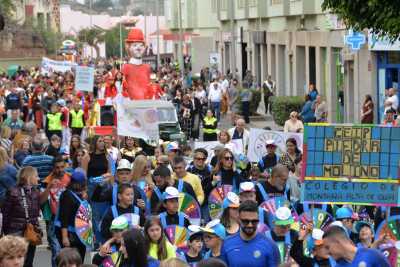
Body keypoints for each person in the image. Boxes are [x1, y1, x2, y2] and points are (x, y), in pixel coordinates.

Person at [2, 166, 53, 267]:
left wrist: (48, 188)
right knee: (16, 261)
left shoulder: (34, 191)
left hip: (31, 231)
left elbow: (40, 202)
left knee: (29, 261)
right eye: (36, 176)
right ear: (28, 177)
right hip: (15, 232)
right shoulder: (13, 191)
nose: (38, 178)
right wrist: (5, 232)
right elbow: (5, 213)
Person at [220, 201, 280, 267]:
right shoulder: (227, 244)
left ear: (258, 220)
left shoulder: (270, 246)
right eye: (245, 221)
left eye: (254, 221)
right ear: (238, 220)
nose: (250, 225)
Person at [56, 169, 90, 261]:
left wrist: (89, 233)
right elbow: (64, 217)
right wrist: (65, 237)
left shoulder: (82, 194)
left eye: (79, 183)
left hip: (80, 232)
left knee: (79, 259)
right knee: (70, 260)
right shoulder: (67, 195)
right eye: (75, 182)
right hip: (69, 232)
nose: (77, 185)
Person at [322, 225, 390, 267]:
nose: (327, 252)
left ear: (338, 242)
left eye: (328, 247)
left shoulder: (374, 255)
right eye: (361, 230)